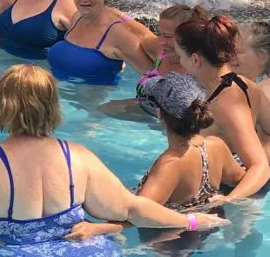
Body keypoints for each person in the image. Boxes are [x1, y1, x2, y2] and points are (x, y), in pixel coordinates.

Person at [0, 64, 229, 254]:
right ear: (52, 105)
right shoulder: (77, 157)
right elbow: (133, 209)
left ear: (2, 105)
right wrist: (192, 220)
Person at [67, 73, 245, 241]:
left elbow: (140, 213)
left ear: (159, 113)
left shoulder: (170, 165)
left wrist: (98, 229)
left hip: (167, 238)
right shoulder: (216, 146)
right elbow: (241, 179)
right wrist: (227, 199)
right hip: (206, 230)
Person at [175, 15, 270, 199]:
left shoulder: (228, 101)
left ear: (195, 60)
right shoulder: (244, 83)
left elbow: (260, 167)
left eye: (180, 56)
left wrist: (228, 200)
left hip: (228, 190)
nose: (179, 62)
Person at [46, 0, 152, 84]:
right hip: (58, 96)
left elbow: (152, 76)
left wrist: (127, 103)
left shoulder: (117, 33)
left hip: (93, 101)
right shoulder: (76, 18)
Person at [135, 5, 209, 117]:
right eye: (159, 34)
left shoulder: (202, 73)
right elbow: (139, 37)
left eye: (167, 36)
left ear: (190, 37)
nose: (161, 41)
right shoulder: (162, 51)